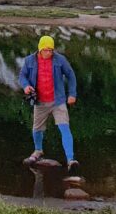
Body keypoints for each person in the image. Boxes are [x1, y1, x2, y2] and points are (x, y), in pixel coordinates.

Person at [19, 33, 78, 170]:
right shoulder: (29, 61)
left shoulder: (60, 60)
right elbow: (22, 75)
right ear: (40, 49)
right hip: (40, 102)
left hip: (58, 101)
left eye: (51, 50)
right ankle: (38, 150)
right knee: (37, 129)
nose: (48, 53)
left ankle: (71, 159)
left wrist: (72, 94)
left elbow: (71, 75)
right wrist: (26, 86)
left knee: (64, 128)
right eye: (46, 50)